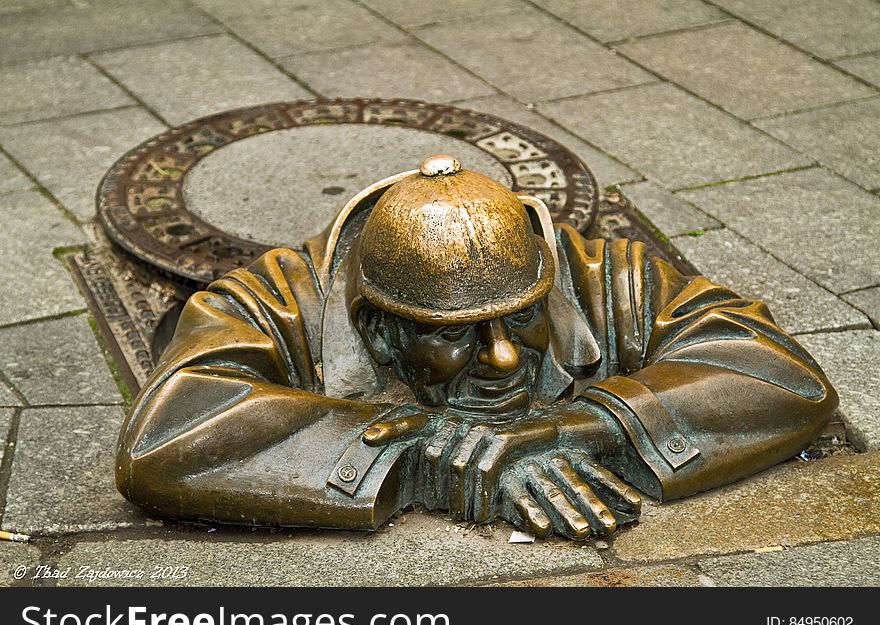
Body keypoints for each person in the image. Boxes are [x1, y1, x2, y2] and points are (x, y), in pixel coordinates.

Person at [116, 154, 837, 540]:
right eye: (451, 334)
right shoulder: (262, 303)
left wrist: (579, 428)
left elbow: (783, 373)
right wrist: (425, 457)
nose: (500, 357)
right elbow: (167, 435)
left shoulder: (596, 276)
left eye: (521, 320)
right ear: (379, 329)